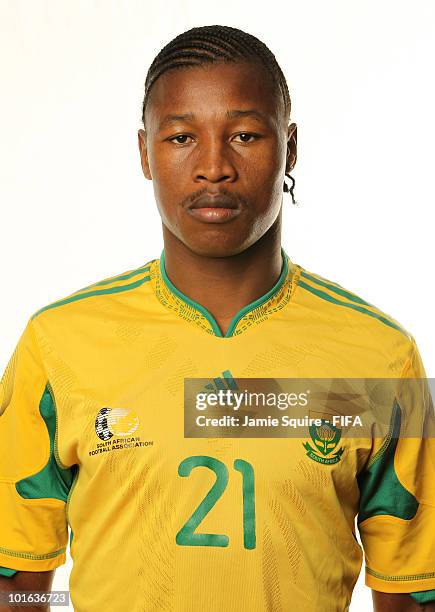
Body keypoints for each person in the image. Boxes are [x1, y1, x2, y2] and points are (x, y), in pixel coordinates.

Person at [0, 24, 434, 612]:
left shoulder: (380, 355)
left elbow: (410, 591)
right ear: (145, 153)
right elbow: (19, 586)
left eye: (246, 134)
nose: (213, 167)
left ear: (291, 148)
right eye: (181, 137)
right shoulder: (57, 344)